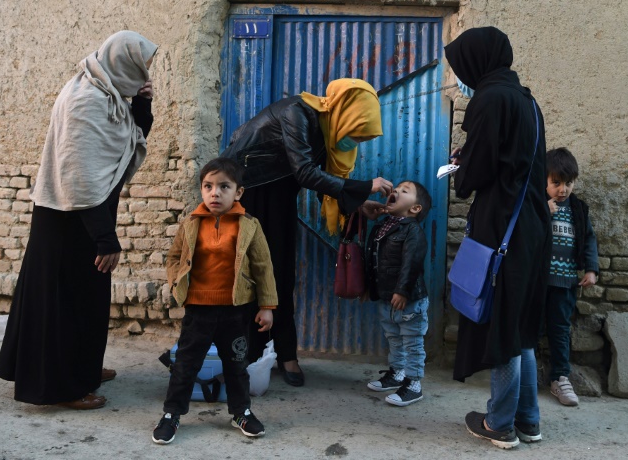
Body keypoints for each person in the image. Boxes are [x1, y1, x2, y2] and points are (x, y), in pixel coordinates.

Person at [0, 31, 158, 409]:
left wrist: (142, 103)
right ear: (123, 62)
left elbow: (129, 138)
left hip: (88, 210)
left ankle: (83, 367)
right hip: (70, 217)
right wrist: (105, 237)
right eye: (141, 67)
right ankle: (63, 388)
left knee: (87, 298)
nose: (146, 74)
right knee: (66, 301)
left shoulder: (107, 94)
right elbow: (79, 173)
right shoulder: (86, 100)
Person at [222, 78, 393, 386]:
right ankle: (250, 354)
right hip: (251, 196)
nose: (354, 142)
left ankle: (286, 352)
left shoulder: (326, 130)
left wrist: (357, 205)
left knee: (283, 274)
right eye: (356, 133)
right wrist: (365, 186)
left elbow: (321, 182)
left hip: (280, 196)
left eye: (361, 138)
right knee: (251, 275)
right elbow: (305, 172)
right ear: (345, 114)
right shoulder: (297, 113)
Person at [446, 27, 551, 450]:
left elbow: (478, 171)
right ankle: (528, 419)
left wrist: (461, 167)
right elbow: (513, 159)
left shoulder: (490, 99)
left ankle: (500, 423)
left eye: (460, 66)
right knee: (519, 325)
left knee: (503, 326)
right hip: (530, 227)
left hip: (503, 225)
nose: (459, 76)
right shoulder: (526, 100)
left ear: (477, 61)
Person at [152, 157, 277, 444]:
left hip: (235, 311)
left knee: (236, 365)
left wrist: (267, 306)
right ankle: (171, 414)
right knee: (185, 365)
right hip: (198, 310)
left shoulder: (249, 225)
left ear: (238, 192)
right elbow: (174, 258)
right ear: (201, 190)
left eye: (224, 186)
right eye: (208, 186)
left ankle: (241, 412)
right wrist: (176, 284)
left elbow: (263, 267)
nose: (215, 193)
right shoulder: (191, 223)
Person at [363, 181, 432, 406]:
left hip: (408, 300)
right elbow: (373, 259)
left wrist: (402, 291)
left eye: (404, 191)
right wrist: (369, 287)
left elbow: (412, 263)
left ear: (415, 208)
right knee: (393, 338)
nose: (396, 191)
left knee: (412, 342)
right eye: (397, 189)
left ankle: (414, 384)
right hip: (387, 298)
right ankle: (397, 373)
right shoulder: (382, 226)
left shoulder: (413, 231)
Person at [544, 147, 599, 406]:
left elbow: (589, 239)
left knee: (560, 330)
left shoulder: (578, 209)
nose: (562, 189)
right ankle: (524, 375)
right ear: (544, 181)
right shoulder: (538, 204)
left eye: (568, 183)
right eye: (556, 183)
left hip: (565, 283)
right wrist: (542, 211)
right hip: (537, 282)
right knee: (528, 327)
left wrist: (591, 269)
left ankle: (560, 377)